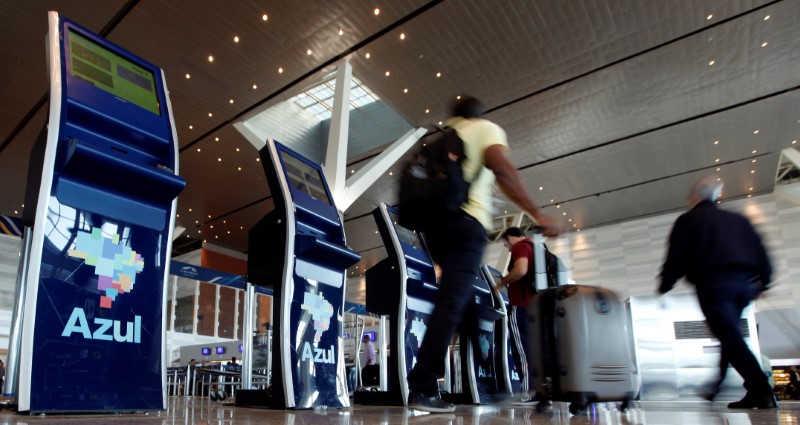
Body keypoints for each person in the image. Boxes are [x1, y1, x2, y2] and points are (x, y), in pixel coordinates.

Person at [406, 96, 561, 413]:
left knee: (463, 302)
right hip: (465, 225)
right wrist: (537, 213)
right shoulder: (484, 129)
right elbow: (501, 168)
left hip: (436, 232)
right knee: (452, 302)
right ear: (479, 113)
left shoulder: (446, 134)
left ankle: (490, 378)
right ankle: (422, 386)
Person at [658, 176, 776, 409]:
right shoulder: (738, 219)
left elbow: (677, 257)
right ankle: (718, 385)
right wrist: (765, 283)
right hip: (744, 286)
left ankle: (760, 388)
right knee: (729, 336)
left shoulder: (688, 220)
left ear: (694, 197)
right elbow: (762, 252)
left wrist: (665, 284)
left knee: (729, 337)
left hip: (714, 285)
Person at [498, 227, 537, 403]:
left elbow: (520, 270)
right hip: (535, 307)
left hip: (521, 306)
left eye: (506, 243)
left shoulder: (520, 246)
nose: (507, 247)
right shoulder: (535, 246)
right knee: (534, 349)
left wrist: (502, 282)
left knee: (522, 349)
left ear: (510, 237)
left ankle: (529, 392)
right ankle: (541, 391)